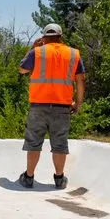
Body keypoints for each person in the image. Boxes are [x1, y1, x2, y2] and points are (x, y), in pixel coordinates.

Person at [16, 23, 85, 189]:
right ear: (60, 37)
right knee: (60, 144)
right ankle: (59, 179)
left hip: (38, 106)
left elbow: (21, 70)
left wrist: (32, 47)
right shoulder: (73, 54)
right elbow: (80, 80)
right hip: (62, 107)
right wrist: (78, 103)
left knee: (33, 142)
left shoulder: (37, 52)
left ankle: (29, 177)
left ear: (44, 38)